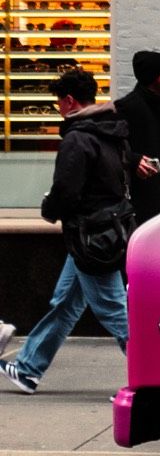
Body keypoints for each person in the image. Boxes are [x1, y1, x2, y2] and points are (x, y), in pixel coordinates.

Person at [2, 70, 133, 395]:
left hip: (90, 237)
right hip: (104, 233)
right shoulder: (111, 131)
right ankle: (29, 369)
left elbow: (66, 189)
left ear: (70, 101)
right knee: (66, 303)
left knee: (114, 311)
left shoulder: (78, 137)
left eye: (59, 103)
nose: (59, 109)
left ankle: (158, 377)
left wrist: (49, 208)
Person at [115, 49, 160, 224]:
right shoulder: (127, 109)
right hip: (143, 205)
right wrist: (134, 160)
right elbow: (113, 149)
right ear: (151, 77)